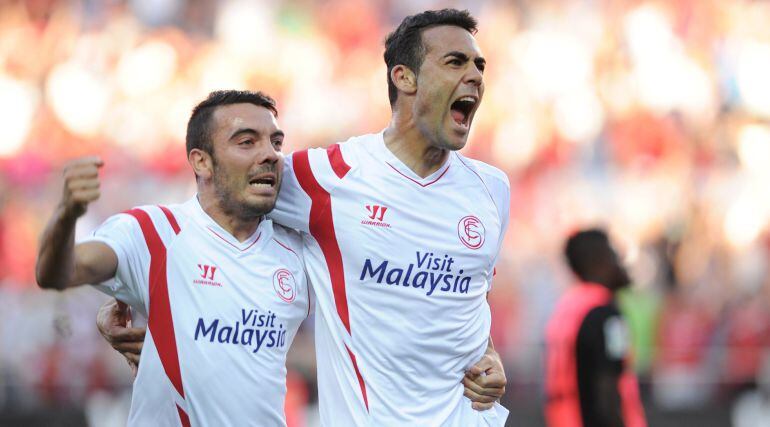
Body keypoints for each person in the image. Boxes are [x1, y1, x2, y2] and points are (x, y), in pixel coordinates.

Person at [102, 8, 510, 426]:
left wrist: (489, 352)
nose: (475, 76)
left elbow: (471, 295)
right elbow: (213, 210)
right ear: (404, 78)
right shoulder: (326, 177)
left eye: (480, 65)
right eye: (456, 62)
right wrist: (131, 291)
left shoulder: (492, 190)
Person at [36, 90, 312, 426]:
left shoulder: (299, 254)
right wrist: (66, 215)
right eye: (247, 142)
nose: (270, 154)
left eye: (276, 142)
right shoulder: (154, 232)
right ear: (201, 161)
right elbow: (59, 272)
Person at [544, 229, 647, 427]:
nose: (621, 262)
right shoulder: (607, 315)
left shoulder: (567, 309)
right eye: (614, 254)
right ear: (600, 261)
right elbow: (608, 391)